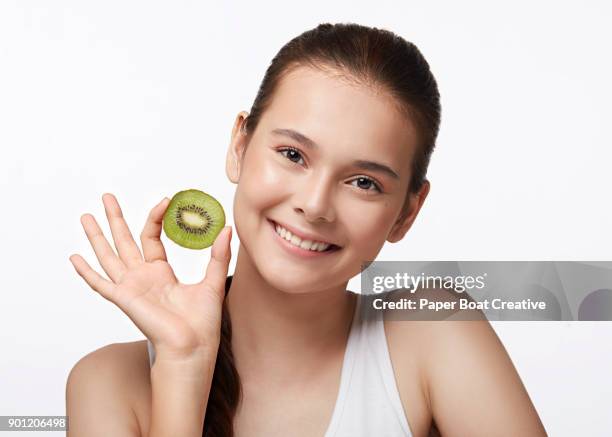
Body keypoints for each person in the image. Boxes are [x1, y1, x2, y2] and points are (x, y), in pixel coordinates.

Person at [66, 23, 548, 437]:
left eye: (364, 182)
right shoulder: (109, 382)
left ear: (406, 213)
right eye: (293, 155)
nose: (315, 206)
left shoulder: (434, 330)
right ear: (241, 145)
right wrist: (182, 367)